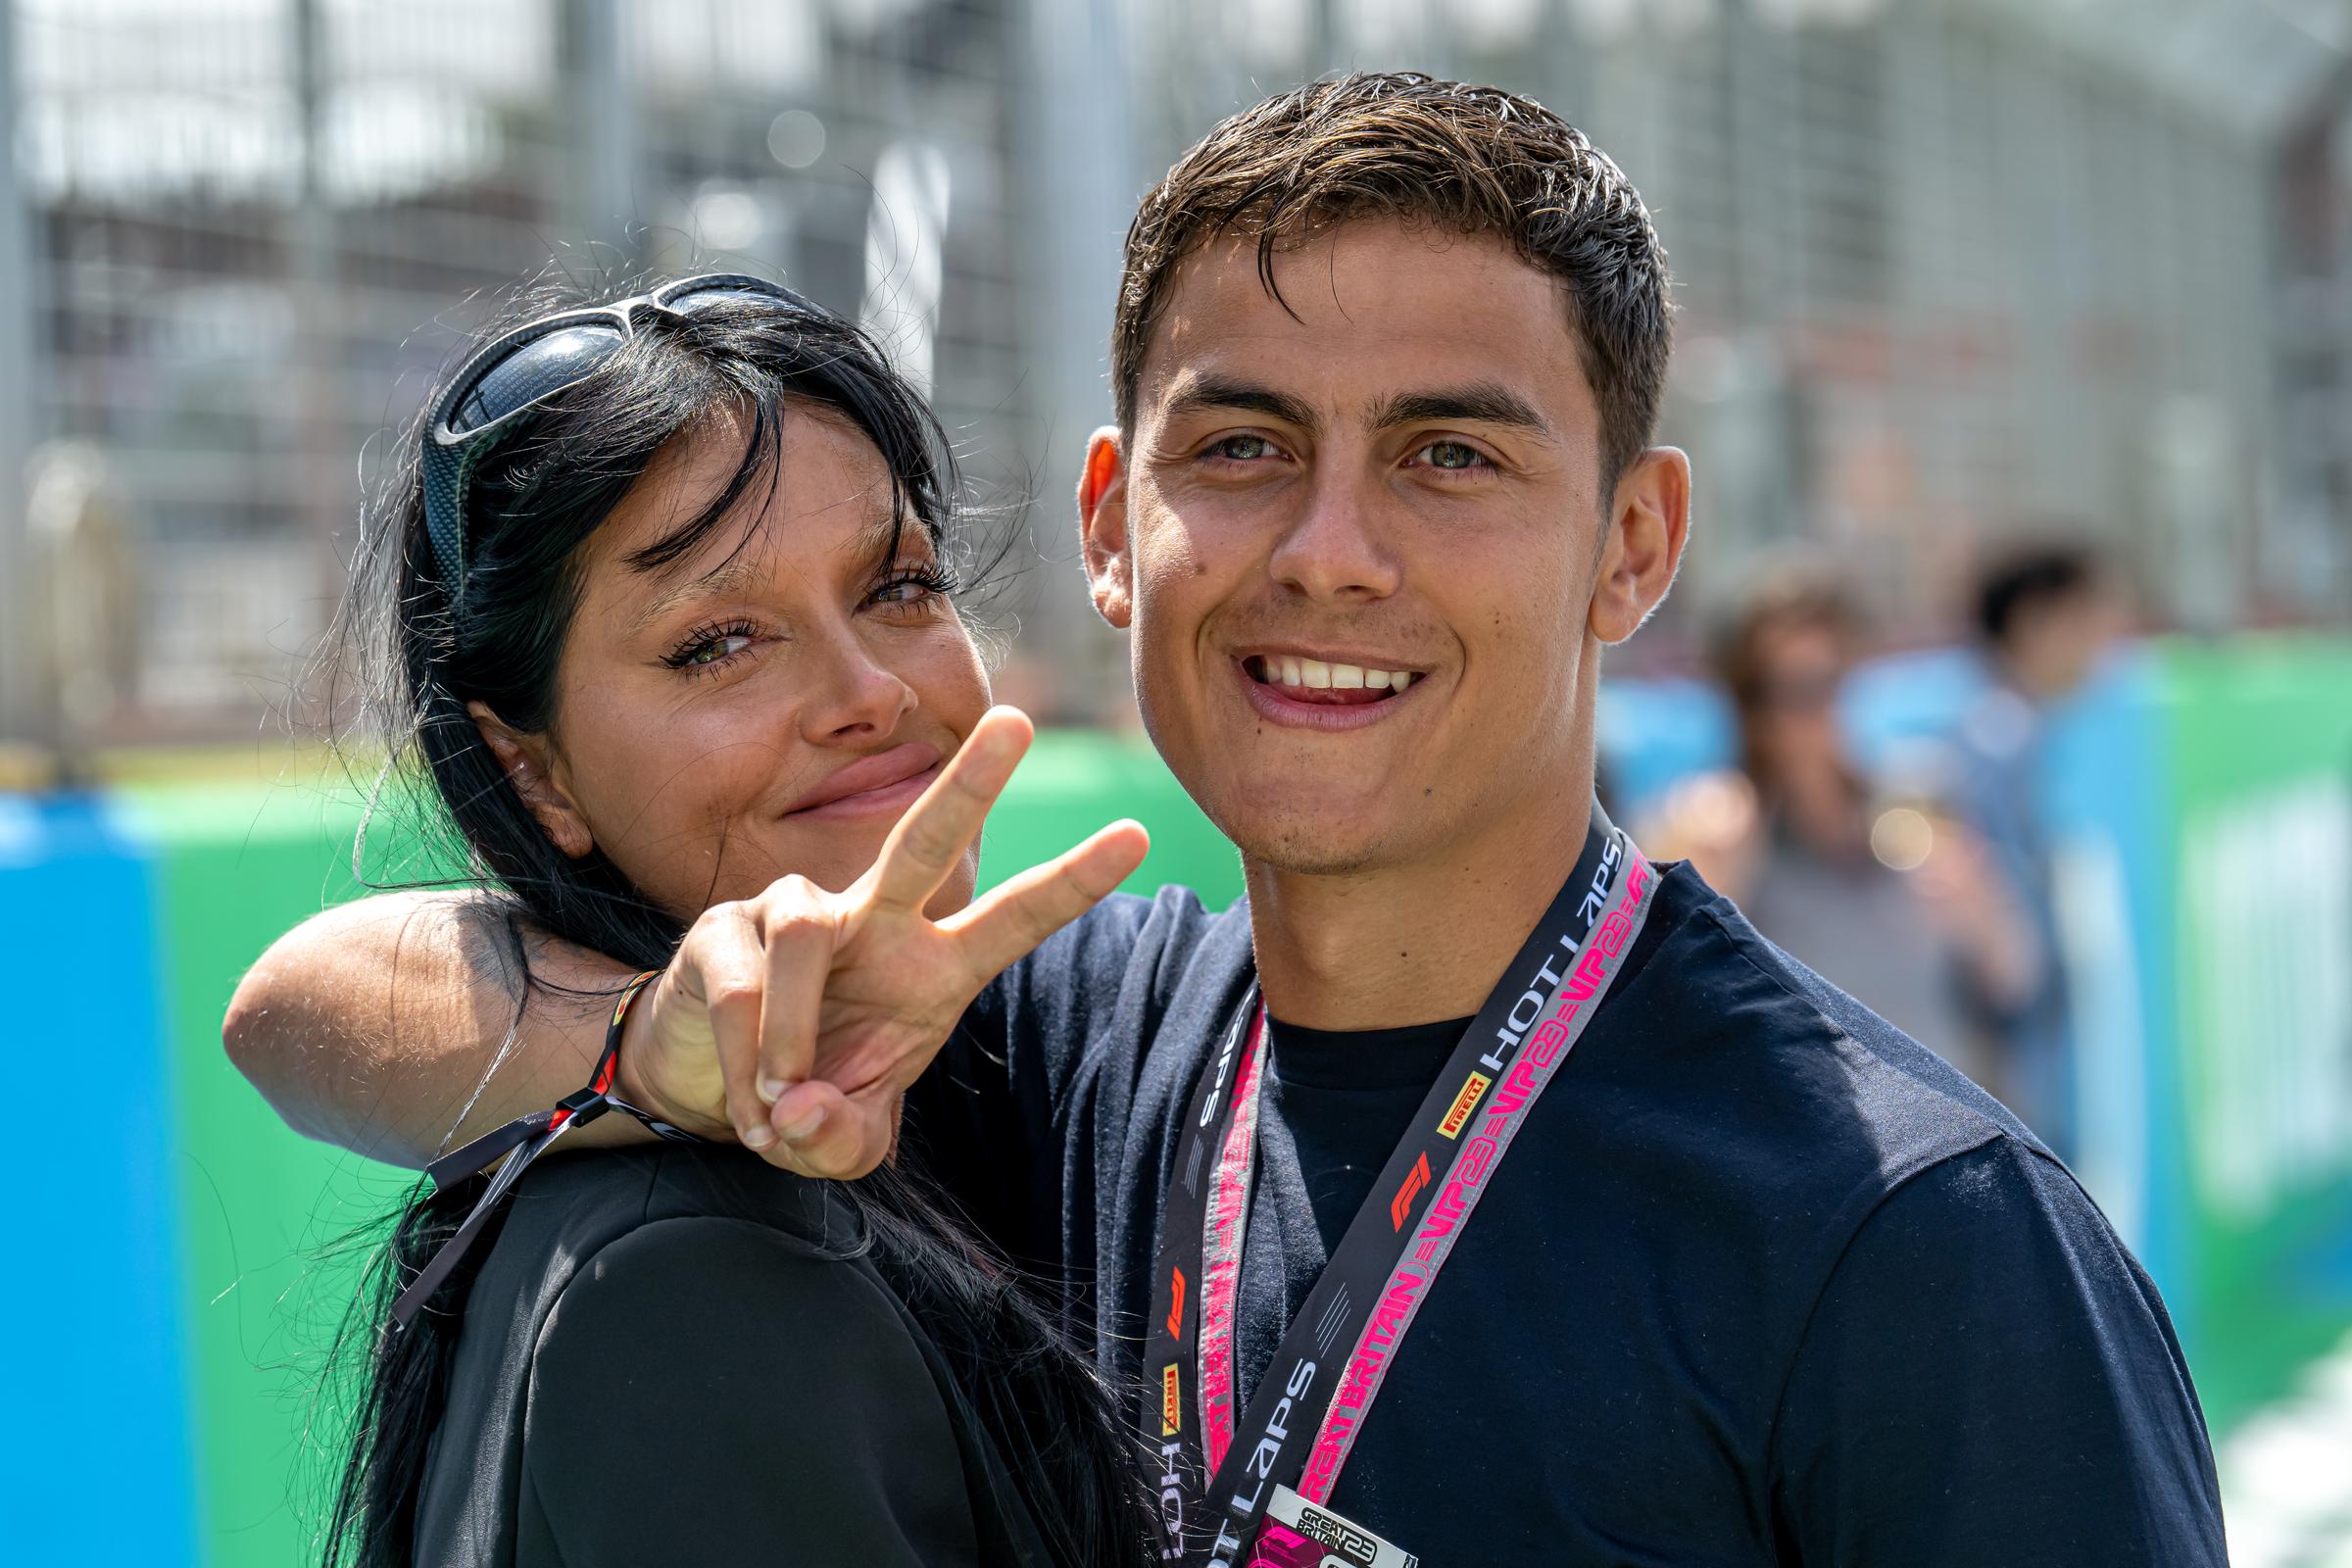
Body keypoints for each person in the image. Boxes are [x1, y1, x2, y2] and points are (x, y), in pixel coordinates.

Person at [233, 76, 2228, 1563]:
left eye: (1450, 453)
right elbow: (309, 994)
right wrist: (658, 1053)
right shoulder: (1028, 1044)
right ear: (1114, 528)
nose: (1329, 555)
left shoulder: (1916, 1242)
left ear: (1633, 548)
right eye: (1245, 448)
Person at [298, 273, 1160, 1567]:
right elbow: (283, 1007)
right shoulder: (690, 1278)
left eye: (900, 588)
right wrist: (650, 1051)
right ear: (534, 770)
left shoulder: (977, 1072)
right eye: (718, 643)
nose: (867, 691)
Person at [1650, 568, 2042, 1093]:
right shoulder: (1715, 826)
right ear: (1748, 705)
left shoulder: (1917, 801)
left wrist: (1975, 910)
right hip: (1822, 1149)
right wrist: (1709, 891)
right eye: (1791, 690)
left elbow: (2015, 978)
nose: (1819, 714)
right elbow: (1671, 1010)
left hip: (1951, 1133)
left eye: (1835, 678)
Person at [1952, 541, 2122, 1154]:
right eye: (2085, 619)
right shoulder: (1999, 742)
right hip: (2012, 1085)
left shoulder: (2015, 732)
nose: (2103, 640)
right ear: (2033, 622)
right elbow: (2006, 948)